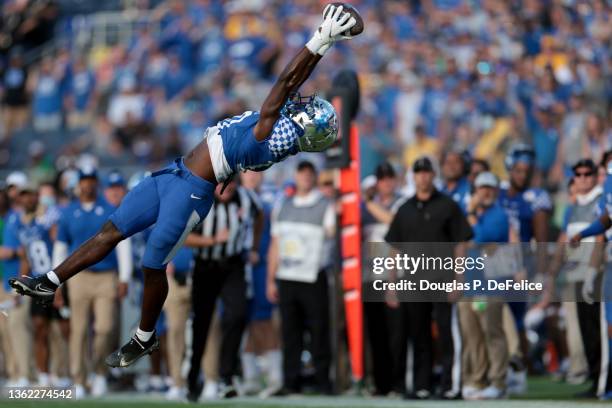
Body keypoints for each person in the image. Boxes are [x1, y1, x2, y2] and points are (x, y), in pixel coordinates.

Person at [9, 3, 360, 369]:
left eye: (306, 107)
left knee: (151, 264)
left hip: (191, 191)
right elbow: (289, 86)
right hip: (173, 174)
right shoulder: (276, 131)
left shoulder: (271, 132)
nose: (300, 102)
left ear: (305, 125)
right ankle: (50, 281)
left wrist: (321, 40)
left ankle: (144, 337)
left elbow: (286, 81)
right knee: (110, 231)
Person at [384, 156, 472, 400]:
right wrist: (391, 284)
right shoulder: (405, 209)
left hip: (443, 277)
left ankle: (450, 385)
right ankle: (421, 385)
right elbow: (394, 248)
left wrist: (459, 277)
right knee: (418, 333)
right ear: (413, 177)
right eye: (419, 172)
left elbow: (460, 244)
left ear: (434, 175)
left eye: (427, 172)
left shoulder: (448, 205)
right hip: (413, 280)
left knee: (447, 332)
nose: (423, 177)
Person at [51, 167, 133, 398]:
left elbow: (123, 244)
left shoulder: (109, 210)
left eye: (91, 181)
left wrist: (124, 276)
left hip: (106, 276)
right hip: (78, 277)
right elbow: (60, 248)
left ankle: (98, 373)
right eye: (84, 181)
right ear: (79, 185)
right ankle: (79, 378)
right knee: (78, 330)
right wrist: (57, 281)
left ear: (97, 184)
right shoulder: (68, 212)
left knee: (105, 328)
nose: (87, 185)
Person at [184, 177, 263, 401]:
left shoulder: (247, 198)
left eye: (232, 185)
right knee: (201, 323)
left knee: (238, 314)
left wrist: (254, 247)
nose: (227, 189)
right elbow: (183, 236)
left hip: (233, 264)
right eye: (223, 185)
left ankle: (226, 376)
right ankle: (192, 380)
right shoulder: (200, 200)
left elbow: (260, 217)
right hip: (205, 267)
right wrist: (212, 241)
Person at [266, 160, 336, 395]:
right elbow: (275, 245)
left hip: (313, 276)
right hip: (287, 277)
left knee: (318, 332)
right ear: (296, 176)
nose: (306, 177)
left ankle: (323, 381)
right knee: (290, 333)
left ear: (314, 177)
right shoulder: (282, 206)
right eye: (302, 173)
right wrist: (270, 279)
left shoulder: (325, 205)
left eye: (310, 174)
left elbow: (332, 233)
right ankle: (290, 381)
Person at [1, 180, 69, 387]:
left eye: (31, 194)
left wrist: (60, 283)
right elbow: (25, 257)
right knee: (40, 328)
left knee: (63, 328)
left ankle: (65, 373)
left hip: (56, 277)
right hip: (37, 281)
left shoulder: (49, 217)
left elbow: (60, 243)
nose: (27, 199)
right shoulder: (22, 221)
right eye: (23, 195)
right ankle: (44, 374)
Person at [460, 172, 510, 400]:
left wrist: (470, 214)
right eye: (482, 188)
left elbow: (479, 237)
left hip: (489, 285)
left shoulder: (498, 215)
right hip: (470, 284)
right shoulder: (471, 215)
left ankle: (498, 381)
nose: (486, 192)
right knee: (474, 334)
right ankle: (478, 380)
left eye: (490, 188)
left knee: (492, 332)